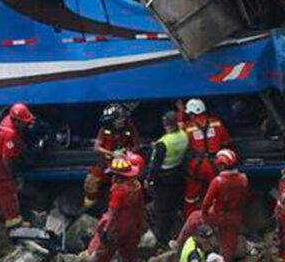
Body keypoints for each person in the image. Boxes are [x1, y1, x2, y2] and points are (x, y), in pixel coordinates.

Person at [84, 152, 148, 262]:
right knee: (129, 255)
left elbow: (113, 213)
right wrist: (141, 224)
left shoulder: (118, 191)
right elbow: (140, 207)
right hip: (132, 228)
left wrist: (106, 231)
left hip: (117, 229)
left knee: (103, 255)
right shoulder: (136, 186)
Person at [0, 103, 35, 228]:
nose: (26, 125)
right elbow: (7, 158)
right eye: (24, 122)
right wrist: (10, 173)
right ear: (17, 121)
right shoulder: (10, 134)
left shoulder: (8, 120)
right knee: (6, 188)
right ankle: (12, 219)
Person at [180, 98, 230, 217]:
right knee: (218, 192)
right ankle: (219, 215)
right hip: (215, 164)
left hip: (196, 165)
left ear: (191, 113)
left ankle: (190, 218)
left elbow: (182, 147)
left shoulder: (187, 128)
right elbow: (225, 142)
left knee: (191, 195)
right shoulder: (217, 122)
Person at [84, 104, 141, 209]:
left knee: (125, 185)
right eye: (119, 119)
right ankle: (90, 205)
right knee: (91, 181)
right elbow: (97, 147)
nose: (122, 121)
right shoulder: (104, 129)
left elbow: (137, 145)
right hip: (107, 161)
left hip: (124, 163)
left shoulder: (129, 127)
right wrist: (112, 153)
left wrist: (127, 152)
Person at [201, 149, 248, 262]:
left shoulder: (217, 182)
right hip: (236, 217)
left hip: (218, 216)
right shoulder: (243, 178)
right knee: (228, 249)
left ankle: (178, 245)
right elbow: (246, 197)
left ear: (222, 165)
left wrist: (205, 217)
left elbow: (205, 205)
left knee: (193, 219)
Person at [147, 110, 189, 242]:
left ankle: (161, 238)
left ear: (165, 124)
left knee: (162, 209)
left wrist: (149, 180)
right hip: (177, 175)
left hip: (162, 180)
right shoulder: (184, 135)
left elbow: (155, 165)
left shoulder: (163, 143)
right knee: (173, 205)